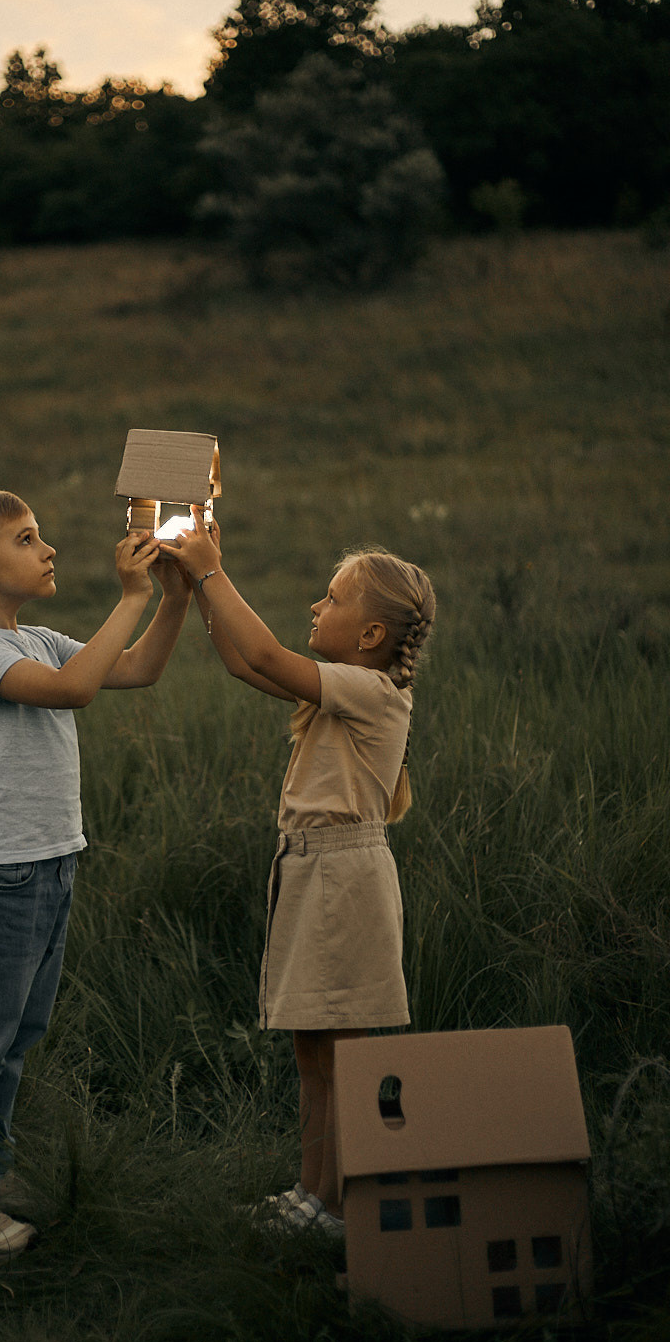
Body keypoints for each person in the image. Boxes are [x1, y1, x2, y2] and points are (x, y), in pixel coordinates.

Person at [0, 489, 190, 1260]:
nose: (49, 549)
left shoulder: (36, 637)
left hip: (50, 866)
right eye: (27, 539)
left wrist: (167, 599)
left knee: (16, 1036)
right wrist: (131, 593)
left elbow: (133, 670)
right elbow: (78, 690)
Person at [162, 509, 435, 1237]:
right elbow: (243, 661)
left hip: (345, 880)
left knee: (340, 1056)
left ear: (372, 636)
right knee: (312, 1049)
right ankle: (314, 1197)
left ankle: (343, 1206)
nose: (317, 605)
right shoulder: (343, 686)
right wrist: (194, 583)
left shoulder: (373, 692)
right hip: (313, 872)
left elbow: (271, 656)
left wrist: (212, 569)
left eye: (333, 598)